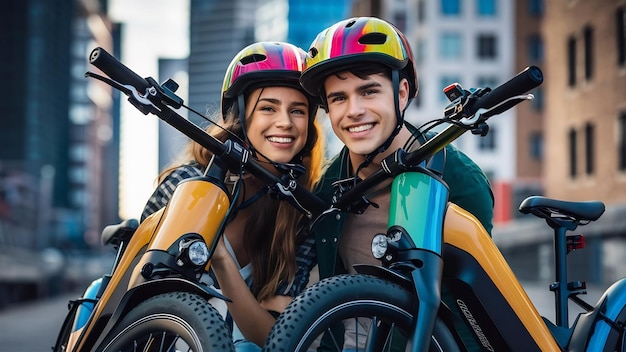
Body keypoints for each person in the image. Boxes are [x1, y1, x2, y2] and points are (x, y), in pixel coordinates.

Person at [141, 41, 325, 351]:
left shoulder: (299, 215)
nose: (285, 122)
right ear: (241, 117)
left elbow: (274, 339)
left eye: (298, 110)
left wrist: (221, 257)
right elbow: (141, 299)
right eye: (268, 107)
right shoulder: (188, 185)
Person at [294, 16, 494, 284]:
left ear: (401, 93)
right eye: (339, 98)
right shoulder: (327, 188)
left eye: (368, 92)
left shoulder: (460, 180)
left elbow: (477, 307)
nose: (354, 111)